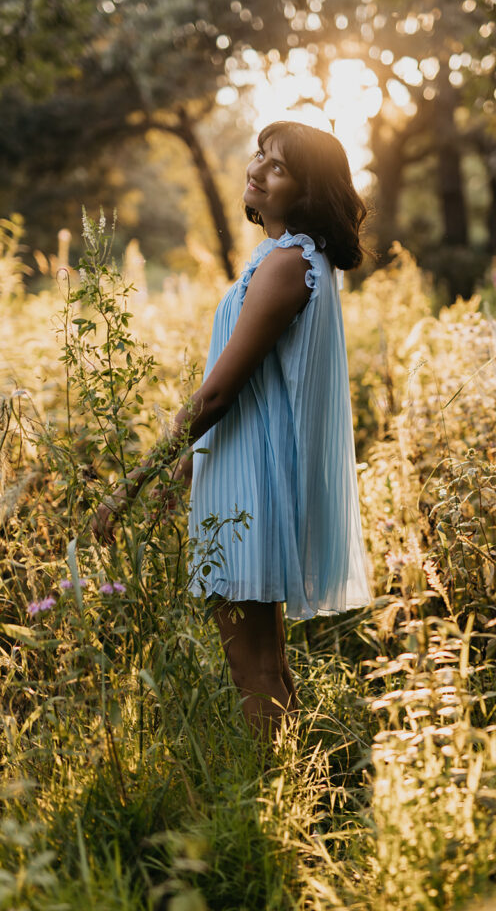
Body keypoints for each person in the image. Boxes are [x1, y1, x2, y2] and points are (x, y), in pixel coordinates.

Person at [93, 120, 372, 740]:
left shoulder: (287, 264)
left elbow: (219, 390)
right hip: (243, 472)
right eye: (260, 156)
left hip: (249, 486)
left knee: (254, 671)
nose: (257, 169)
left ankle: (266, 811)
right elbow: (258, 386)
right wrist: (192, 465)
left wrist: (131, 483)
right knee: (266, 665)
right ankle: (292, 790)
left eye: (277, 166)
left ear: (305, 191)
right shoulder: (293, 259)